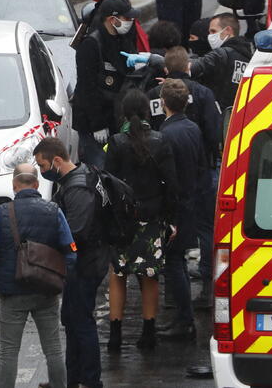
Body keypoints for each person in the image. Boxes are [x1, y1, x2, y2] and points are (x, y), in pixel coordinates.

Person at [0, 163, 76, 388]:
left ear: (14, 186)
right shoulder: (54, 211)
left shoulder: (1, 213)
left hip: (12, 290)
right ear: (36, 184)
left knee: (8, 352)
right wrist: (63, 278)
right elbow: (70, 251)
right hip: (46, 290)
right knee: (52, 349)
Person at [103, 89, 178, 352]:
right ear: (148, 112)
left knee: (118, 274)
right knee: (149, 276)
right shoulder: (161, 141)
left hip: (123, 222)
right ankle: (148, 333)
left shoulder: (115, 142)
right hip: (152, 218)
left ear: (123, 113)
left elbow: (108, 185)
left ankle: (115, 334)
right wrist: (170, 219)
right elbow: (171, 185)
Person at [33, 137, 108, 388]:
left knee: (82, 321)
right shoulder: (79, 176)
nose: (42, 172)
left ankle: (90, 380)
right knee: (72, 319)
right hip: (83, 262)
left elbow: (77, 231)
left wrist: (51, 242)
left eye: (43, 166)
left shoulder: (77, 188)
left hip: (85, 263)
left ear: (56, 160)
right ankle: (72, 378)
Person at [155, 79, 208, 340]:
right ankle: (183, 318)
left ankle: (184, 320)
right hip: (190, 203)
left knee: (174, 263)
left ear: (163, 103)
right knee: (180, 262)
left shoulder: (165, 134)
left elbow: (167, 178)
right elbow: (201, 167)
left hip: (175, 208)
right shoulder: (193, 128)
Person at [72, 0, 139, 168]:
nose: (131, 21)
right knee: (100, 168)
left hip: (115, 115)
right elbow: (87, 89)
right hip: (95, 119)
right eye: (126, 18)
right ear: (112, 20)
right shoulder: (91, 45)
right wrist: (97, 124)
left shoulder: (122, 38)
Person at [188, 12, 253, 112]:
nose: (210, 36)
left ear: (228, 30)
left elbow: (192, 67)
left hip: (221, 115)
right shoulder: (249, 54)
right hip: (240, 114)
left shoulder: (221, 54)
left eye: (213, 31)